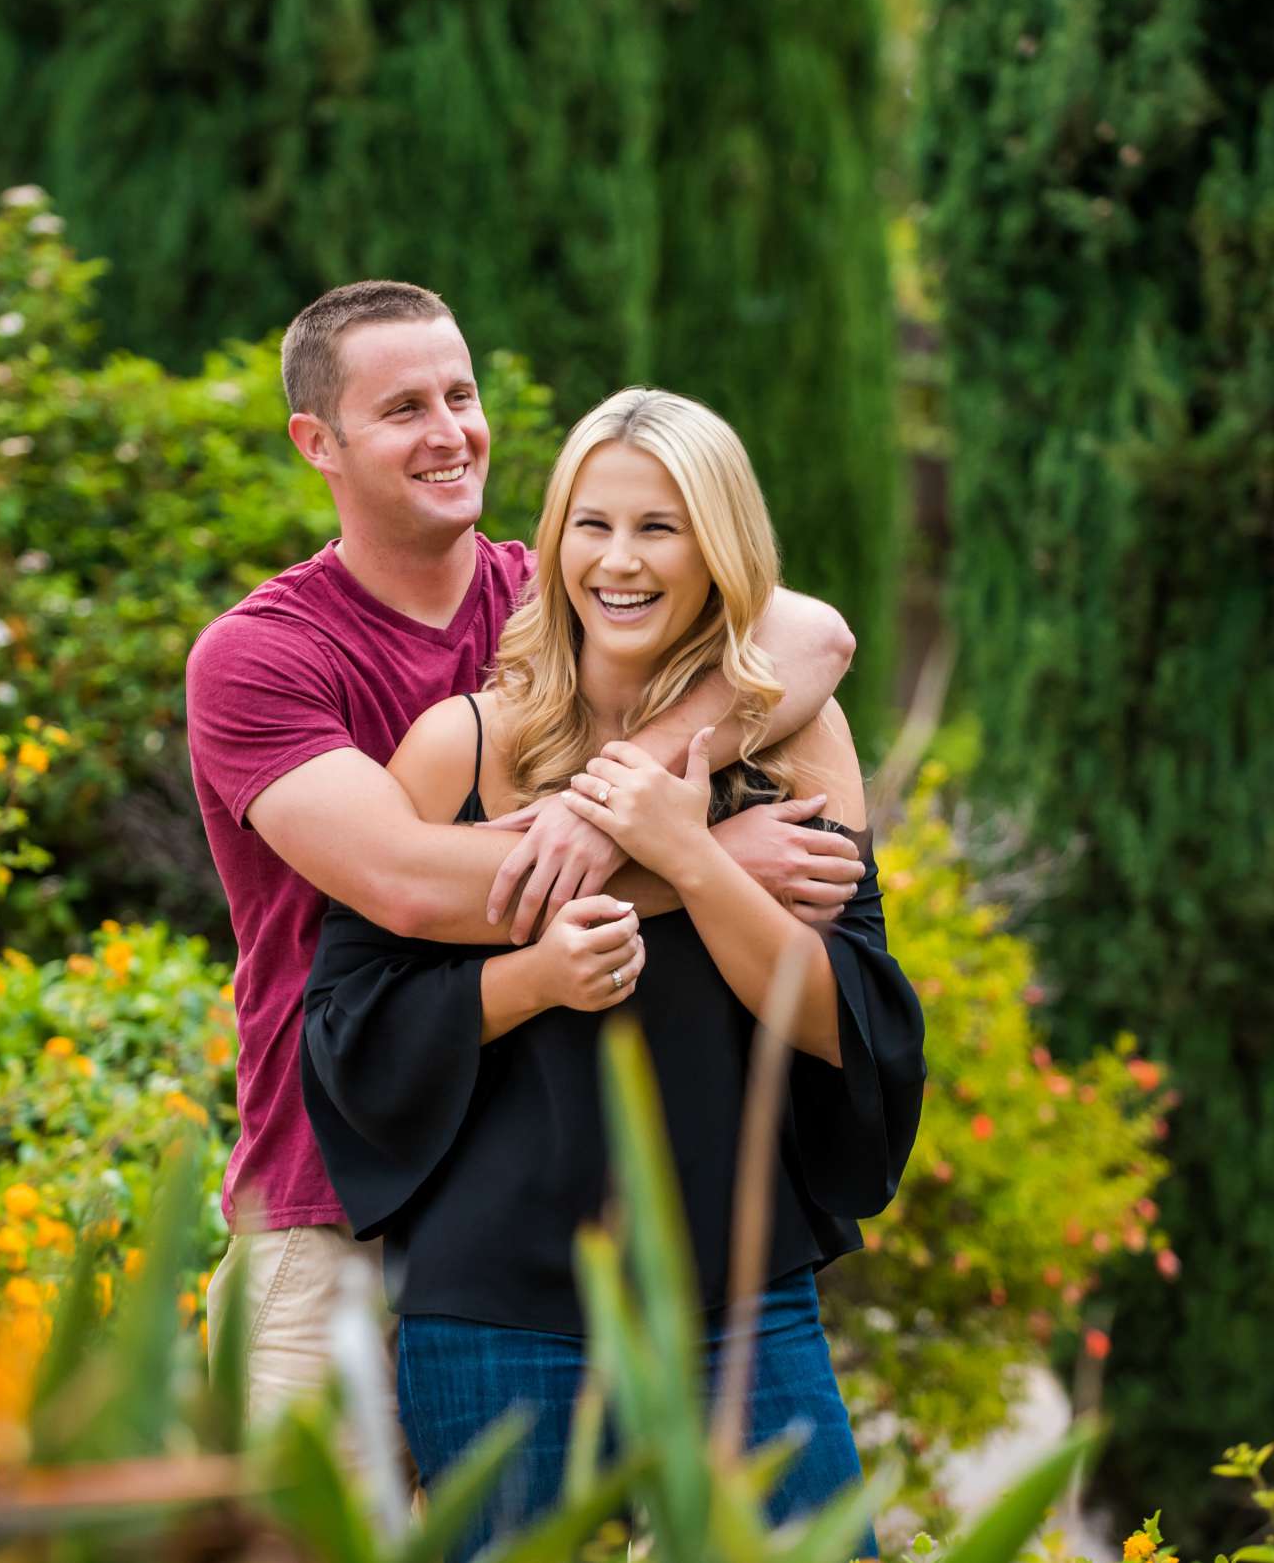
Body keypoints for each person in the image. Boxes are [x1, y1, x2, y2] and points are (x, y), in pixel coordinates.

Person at [183, 281, 868, 1427]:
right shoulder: (263, 656)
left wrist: (611, 800)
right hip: (333, 1200)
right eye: (404, 407)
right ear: (318, 442)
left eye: (462, 393)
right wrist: (705, 860)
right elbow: (410, 885)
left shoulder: (552, 599)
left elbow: (812, 633)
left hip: (543, 1204)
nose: (450, 432)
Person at [301, 387, 926, 1558]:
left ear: (720, 548)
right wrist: (536, 978)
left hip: (735, 1298)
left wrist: (689, 852)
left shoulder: (800, 743)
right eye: (592, 525)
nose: (621, 562)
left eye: (662, 526)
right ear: (553, 546)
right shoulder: (463, 748)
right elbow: (346, 1029)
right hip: (496, 1306)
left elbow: (847, 1027)